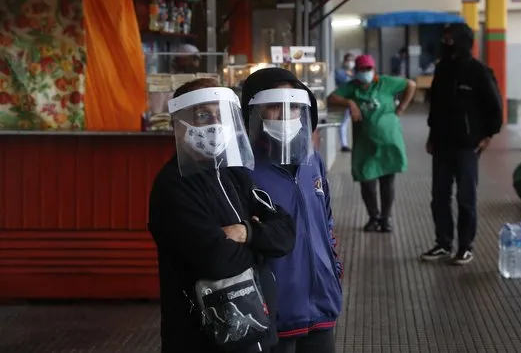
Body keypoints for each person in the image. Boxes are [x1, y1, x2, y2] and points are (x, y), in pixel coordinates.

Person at [148, 78, 296, 353]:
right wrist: (263, 250)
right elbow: (217, 260)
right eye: (203, 115)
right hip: (204, 340)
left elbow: (286, 233)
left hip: (257, 330)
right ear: (178, 126)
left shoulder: (233, 174)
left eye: (221, 114)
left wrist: (246, 233)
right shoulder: (173, 186)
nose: (215, 123)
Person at [241, 67, 343, 353]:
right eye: (275, 106)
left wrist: (333, 268)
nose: (286, 115)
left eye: (295, 106)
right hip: (274, 310)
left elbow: (326, 219)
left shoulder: (313, 161)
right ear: (255, 111)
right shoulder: (243, 169)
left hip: (321, 304)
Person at [420, 23, 503, 265]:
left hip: (468, 146)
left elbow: (495, 107)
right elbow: (435, 107)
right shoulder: (442, 70)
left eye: (451, 39)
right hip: (442, 145)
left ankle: (465, 247)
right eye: (444, 38)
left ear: (463, 41)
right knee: (439, 196)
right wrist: (432, 136)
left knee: (466, 198)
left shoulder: (479, 71)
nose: (446, 43)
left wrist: (488, 135)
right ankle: (443, 244)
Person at [328, 55, 416, 233]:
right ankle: (373, 217)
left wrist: (401, 108)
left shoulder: (385, 82)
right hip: (364, 144)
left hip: (388, 141)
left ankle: (386, 218)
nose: (366, 73)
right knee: (366, 181)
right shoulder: (351, 88)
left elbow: (411, 85)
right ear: (355, 72)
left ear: (374, 70)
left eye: (369, 69)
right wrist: (350, 102)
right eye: (362, 70)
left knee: (387, 180)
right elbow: (331, 98)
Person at [334, 53, 354, 152]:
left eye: (351, 60)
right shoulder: (339, 72)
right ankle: (344, 145)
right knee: (343, 123)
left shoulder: (355, 73)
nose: (350, 62)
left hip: (356, 100)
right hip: (344, 101)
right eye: (348, 60)